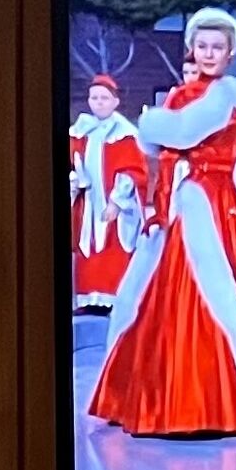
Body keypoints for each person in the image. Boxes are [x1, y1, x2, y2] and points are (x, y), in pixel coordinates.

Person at [85, 5, 236, 439]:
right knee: (184, 296)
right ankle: (185, 404)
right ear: (192, 49)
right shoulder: (179, 99)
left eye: (218, 47)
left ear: (231, 52)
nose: (210, 54)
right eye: (203, 46)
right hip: (196, 202)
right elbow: (161, 160)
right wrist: (156, 211)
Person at [66, 72, 144, 312]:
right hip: (88, 201)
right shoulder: (81, 131)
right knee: (87, 246)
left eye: (104, 98)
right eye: (94, 98)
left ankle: (114, 299)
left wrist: (117, 202)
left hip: (114, 205)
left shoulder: (125, 134)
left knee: (113, 247)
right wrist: (76, 180)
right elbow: (72, 162)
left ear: (115, 101)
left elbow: (131, 170)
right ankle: (88, 298)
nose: (98, 102)